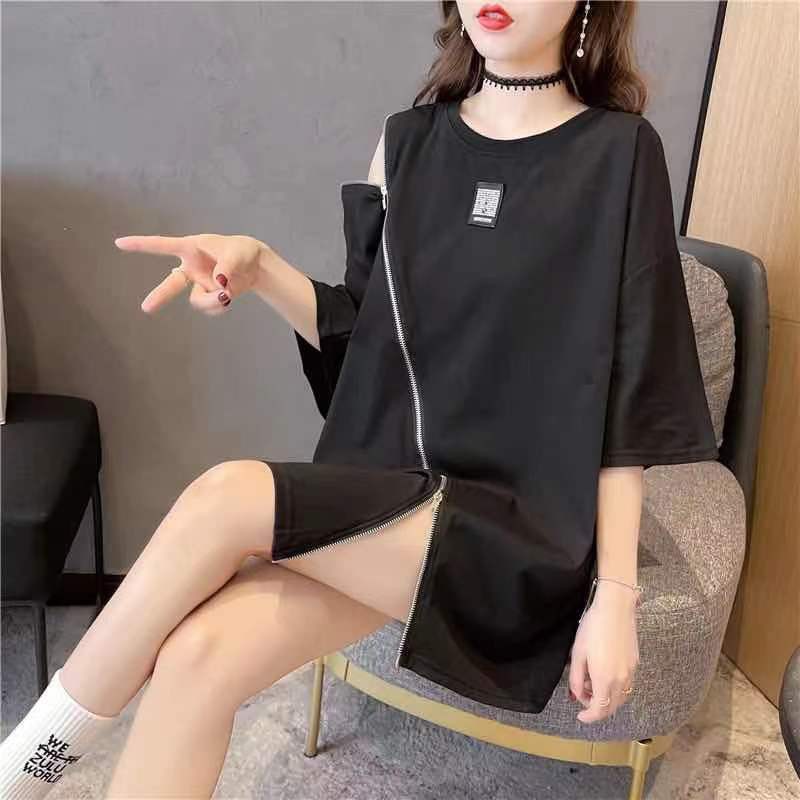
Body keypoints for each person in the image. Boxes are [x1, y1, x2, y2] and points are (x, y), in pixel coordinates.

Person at [0, 1, 720, 797]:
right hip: (396, 497)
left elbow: (631, 393)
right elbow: (364, 341)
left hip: (518, 532)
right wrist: (260, 267)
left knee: (224, 498)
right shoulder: (406, 143)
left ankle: (25, 765)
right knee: (196, 659)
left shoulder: (620, 154)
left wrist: (615, 596)